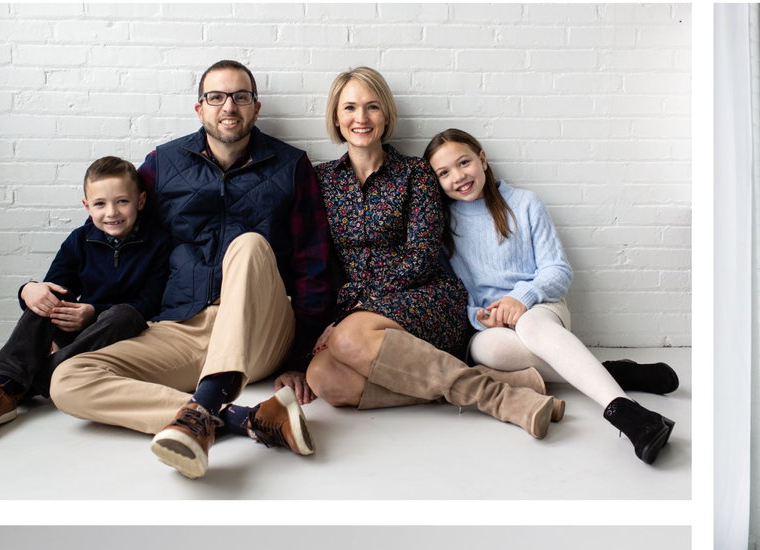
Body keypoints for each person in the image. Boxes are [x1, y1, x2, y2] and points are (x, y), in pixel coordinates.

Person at [49, 59, 323, 478]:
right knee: (68, 378)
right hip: (183, 325)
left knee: (247, 245)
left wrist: (300, 357)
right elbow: (113, 227)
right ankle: (246, 418)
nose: (228, 107)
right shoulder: (163, 164)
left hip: (261, 330)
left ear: (256, 107)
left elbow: (313, 261)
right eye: (216, 97)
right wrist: (52, 293)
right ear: (200, 109)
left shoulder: (291, 165)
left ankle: (205, 409)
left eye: (240, 97)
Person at [290, 68, 556, 439]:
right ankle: (502, 382)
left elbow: (421, 255)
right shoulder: (322, 181)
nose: (361, 118)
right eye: (349, 107)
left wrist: (354, 311)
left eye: (372, 107)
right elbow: (309, 260)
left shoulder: (415, 173)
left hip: (428, 297)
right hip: (360, 314)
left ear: (386, 115)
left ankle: (501, 400)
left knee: (348, 338)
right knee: (324, 379)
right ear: (336, 116)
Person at [423, 127, 677, 463]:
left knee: (530, 327)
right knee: (487, 349)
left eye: (464, 162)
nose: (458, 176)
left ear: (482, 160)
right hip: (495, 327)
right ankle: (616, 373)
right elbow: (453, 291)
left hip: (542, 310)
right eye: (444, 172)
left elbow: (558, 271)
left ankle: (627, 414)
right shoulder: (440, 226)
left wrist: (522, 298)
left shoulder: (524, 203)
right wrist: (479, 316)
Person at [0, 156, 172, 435]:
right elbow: (55, 288)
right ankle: (0, 387)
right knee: (49, 295)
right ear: (87, 206)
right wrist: (29, 289)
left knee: (123, 313)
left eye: (122, 201)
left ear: (140, 201)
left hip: (126, 332)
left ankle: (16, 385)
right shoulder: (79, 240)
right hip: (77, 336)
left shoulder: (160, 242)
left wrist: (93, 311)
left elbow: (151, 303)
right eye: (100, 204)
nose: (111, 212)